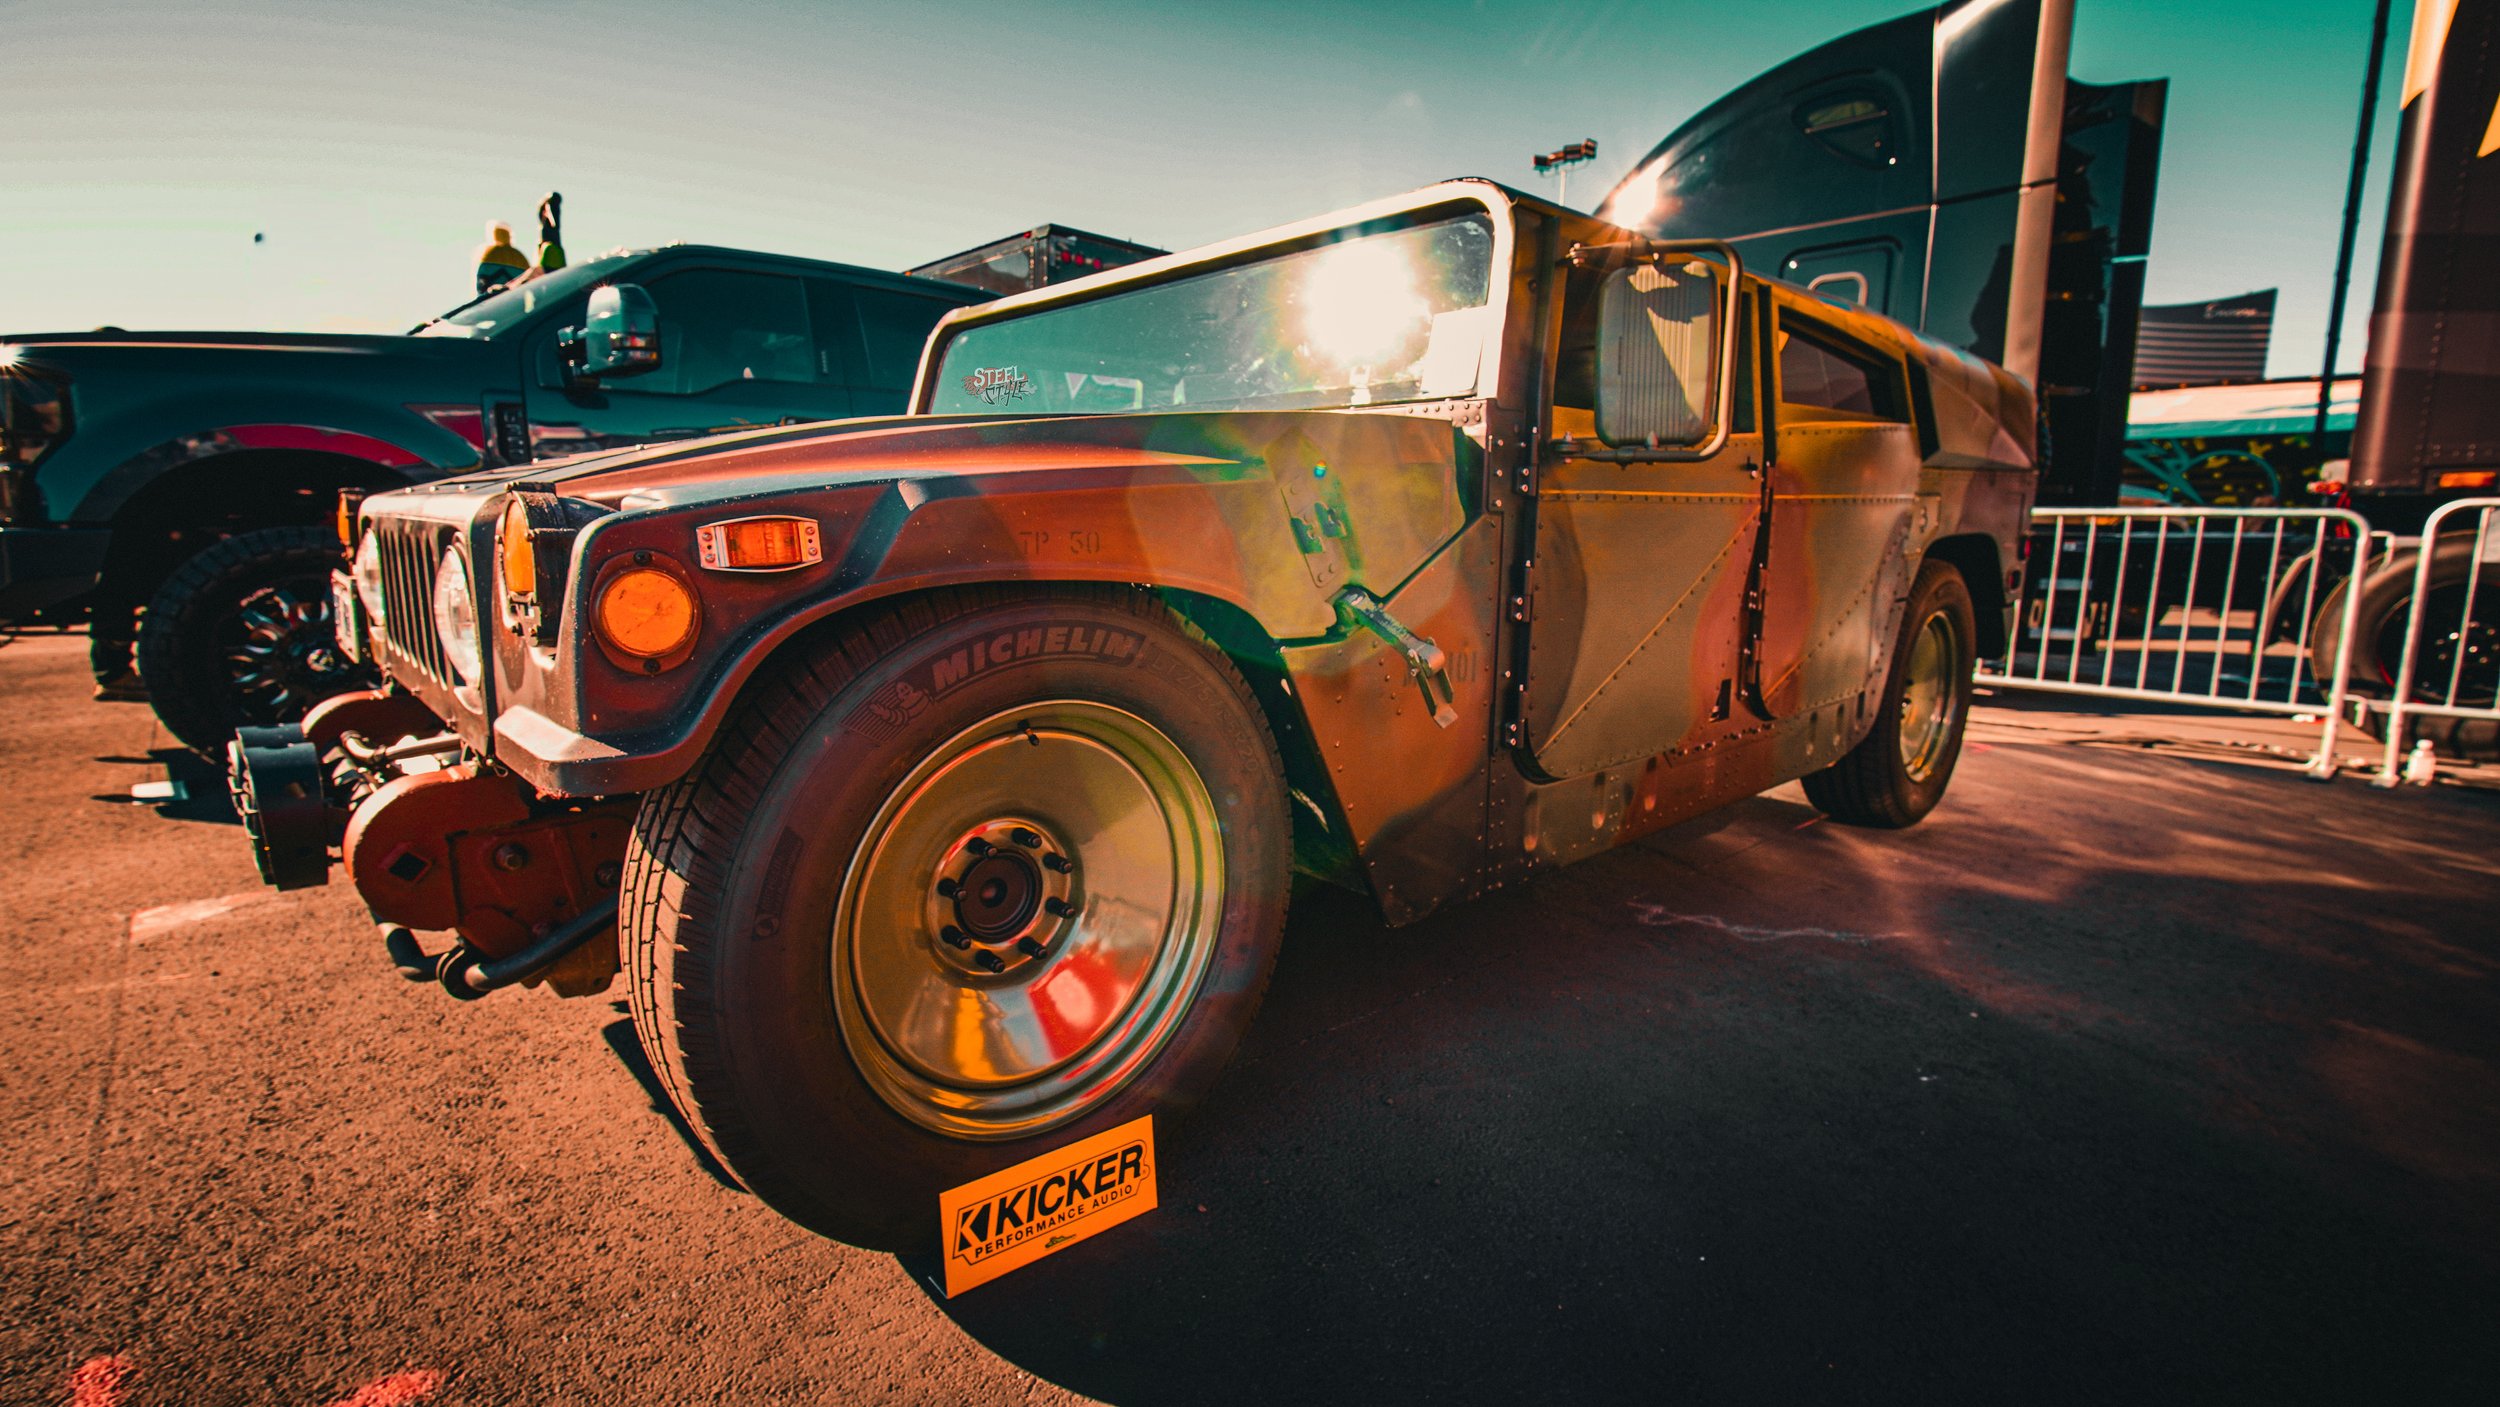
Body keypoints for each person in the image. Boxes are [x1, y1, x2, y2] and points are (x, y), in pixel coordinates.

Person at [474, 221, 528, 296]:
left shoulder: (488, 253)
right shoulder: (520, 257)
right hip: (516, 303)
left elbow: (481, 286)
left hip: (493, 303)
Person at [535, 192, 566, 274]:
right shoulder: (549, 206)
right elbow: (555, 224)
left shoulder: (544, 209)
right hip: (551, 246)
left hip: (548, 245)